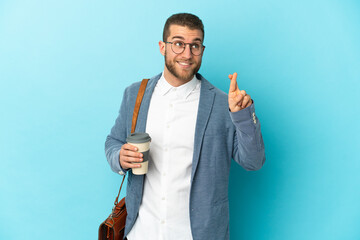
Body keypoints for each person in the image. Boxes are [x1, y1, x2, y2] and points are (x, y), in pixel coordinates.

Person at [105, 13, 265, 240]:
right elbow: (113, 142)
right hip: (141, 232)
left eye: (195, 46)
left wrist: (242, 115)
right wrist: (120, 157)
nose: (187, 54)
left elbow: (253, 162)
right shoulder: (135, 94)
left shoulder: (222, 104)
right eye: (178, 44)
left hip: (198, 234)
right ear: (163, 47)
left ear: (202, 50)